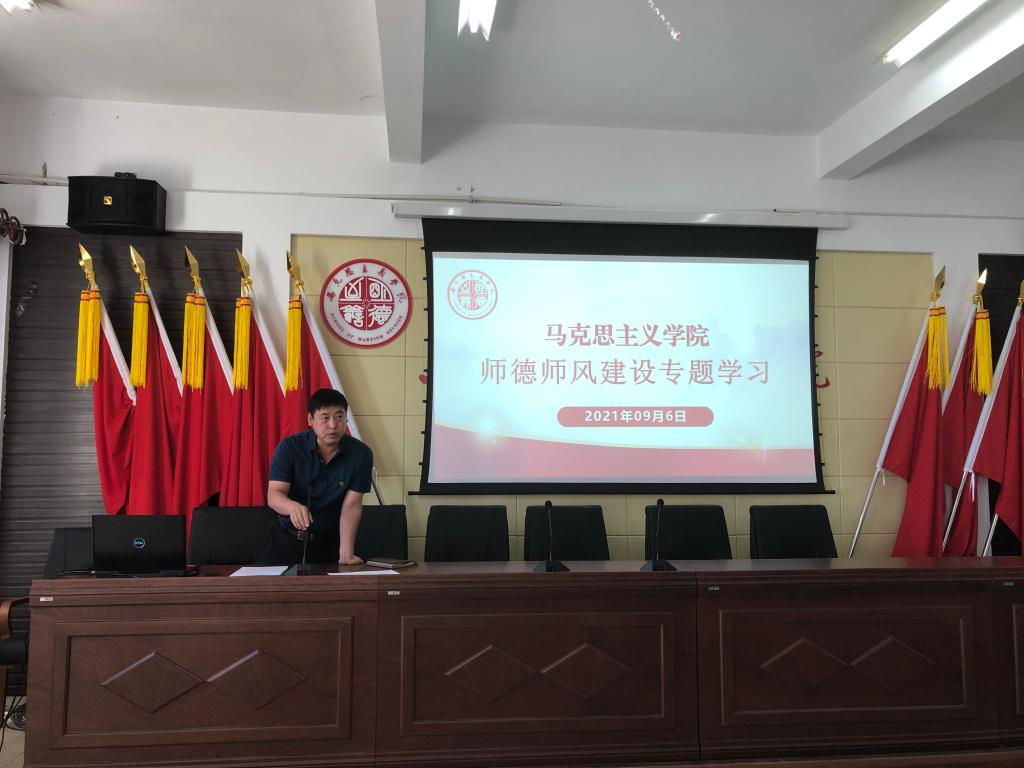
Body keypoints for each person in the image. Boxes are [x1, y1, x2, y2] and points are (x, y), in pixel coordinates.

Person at [262, 388, 373, 566]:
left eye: (339, 417)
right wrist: (292, 507)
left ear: (346, 419)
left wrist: (346, 554)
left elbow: (351, 506)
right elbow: (274, 495)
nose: (333, 425)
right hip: (287, 541)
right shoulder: (289, 448)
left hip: (330, 543)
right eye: (325, 418)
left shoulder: (361, 454)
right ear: (310, 420)